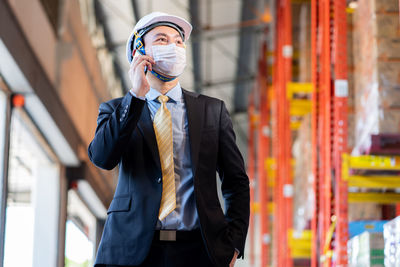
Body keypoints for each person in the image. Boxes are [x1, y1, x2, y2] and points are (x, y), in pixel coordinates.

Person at [88, 12, 250, 267]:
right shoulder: (117, 109)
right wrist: (135, 96)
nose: (173, 47)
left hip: (198, 251)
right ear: (139, 50)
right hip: (131, 249)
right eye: (162, 39)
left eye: (178, 41)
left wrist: (234, 243)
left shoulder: (212, 111)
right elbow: (102, 157)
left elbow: (236, 181)